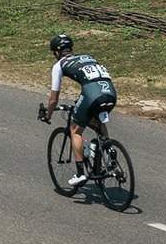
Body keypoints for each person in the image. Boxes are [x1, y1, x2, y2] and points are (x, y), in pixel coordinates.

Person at [38, 34, 117, 189]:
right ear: (71, 49)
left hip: (92, 94)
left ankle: (80, 173)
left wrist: (48, 115)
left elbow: (53, 99)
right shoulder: (88, 57)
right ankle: (109, 150)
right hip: (110, 93)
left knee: (75, 130)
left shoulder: (59, 65)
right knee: (96, 121)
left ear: (56, 52)